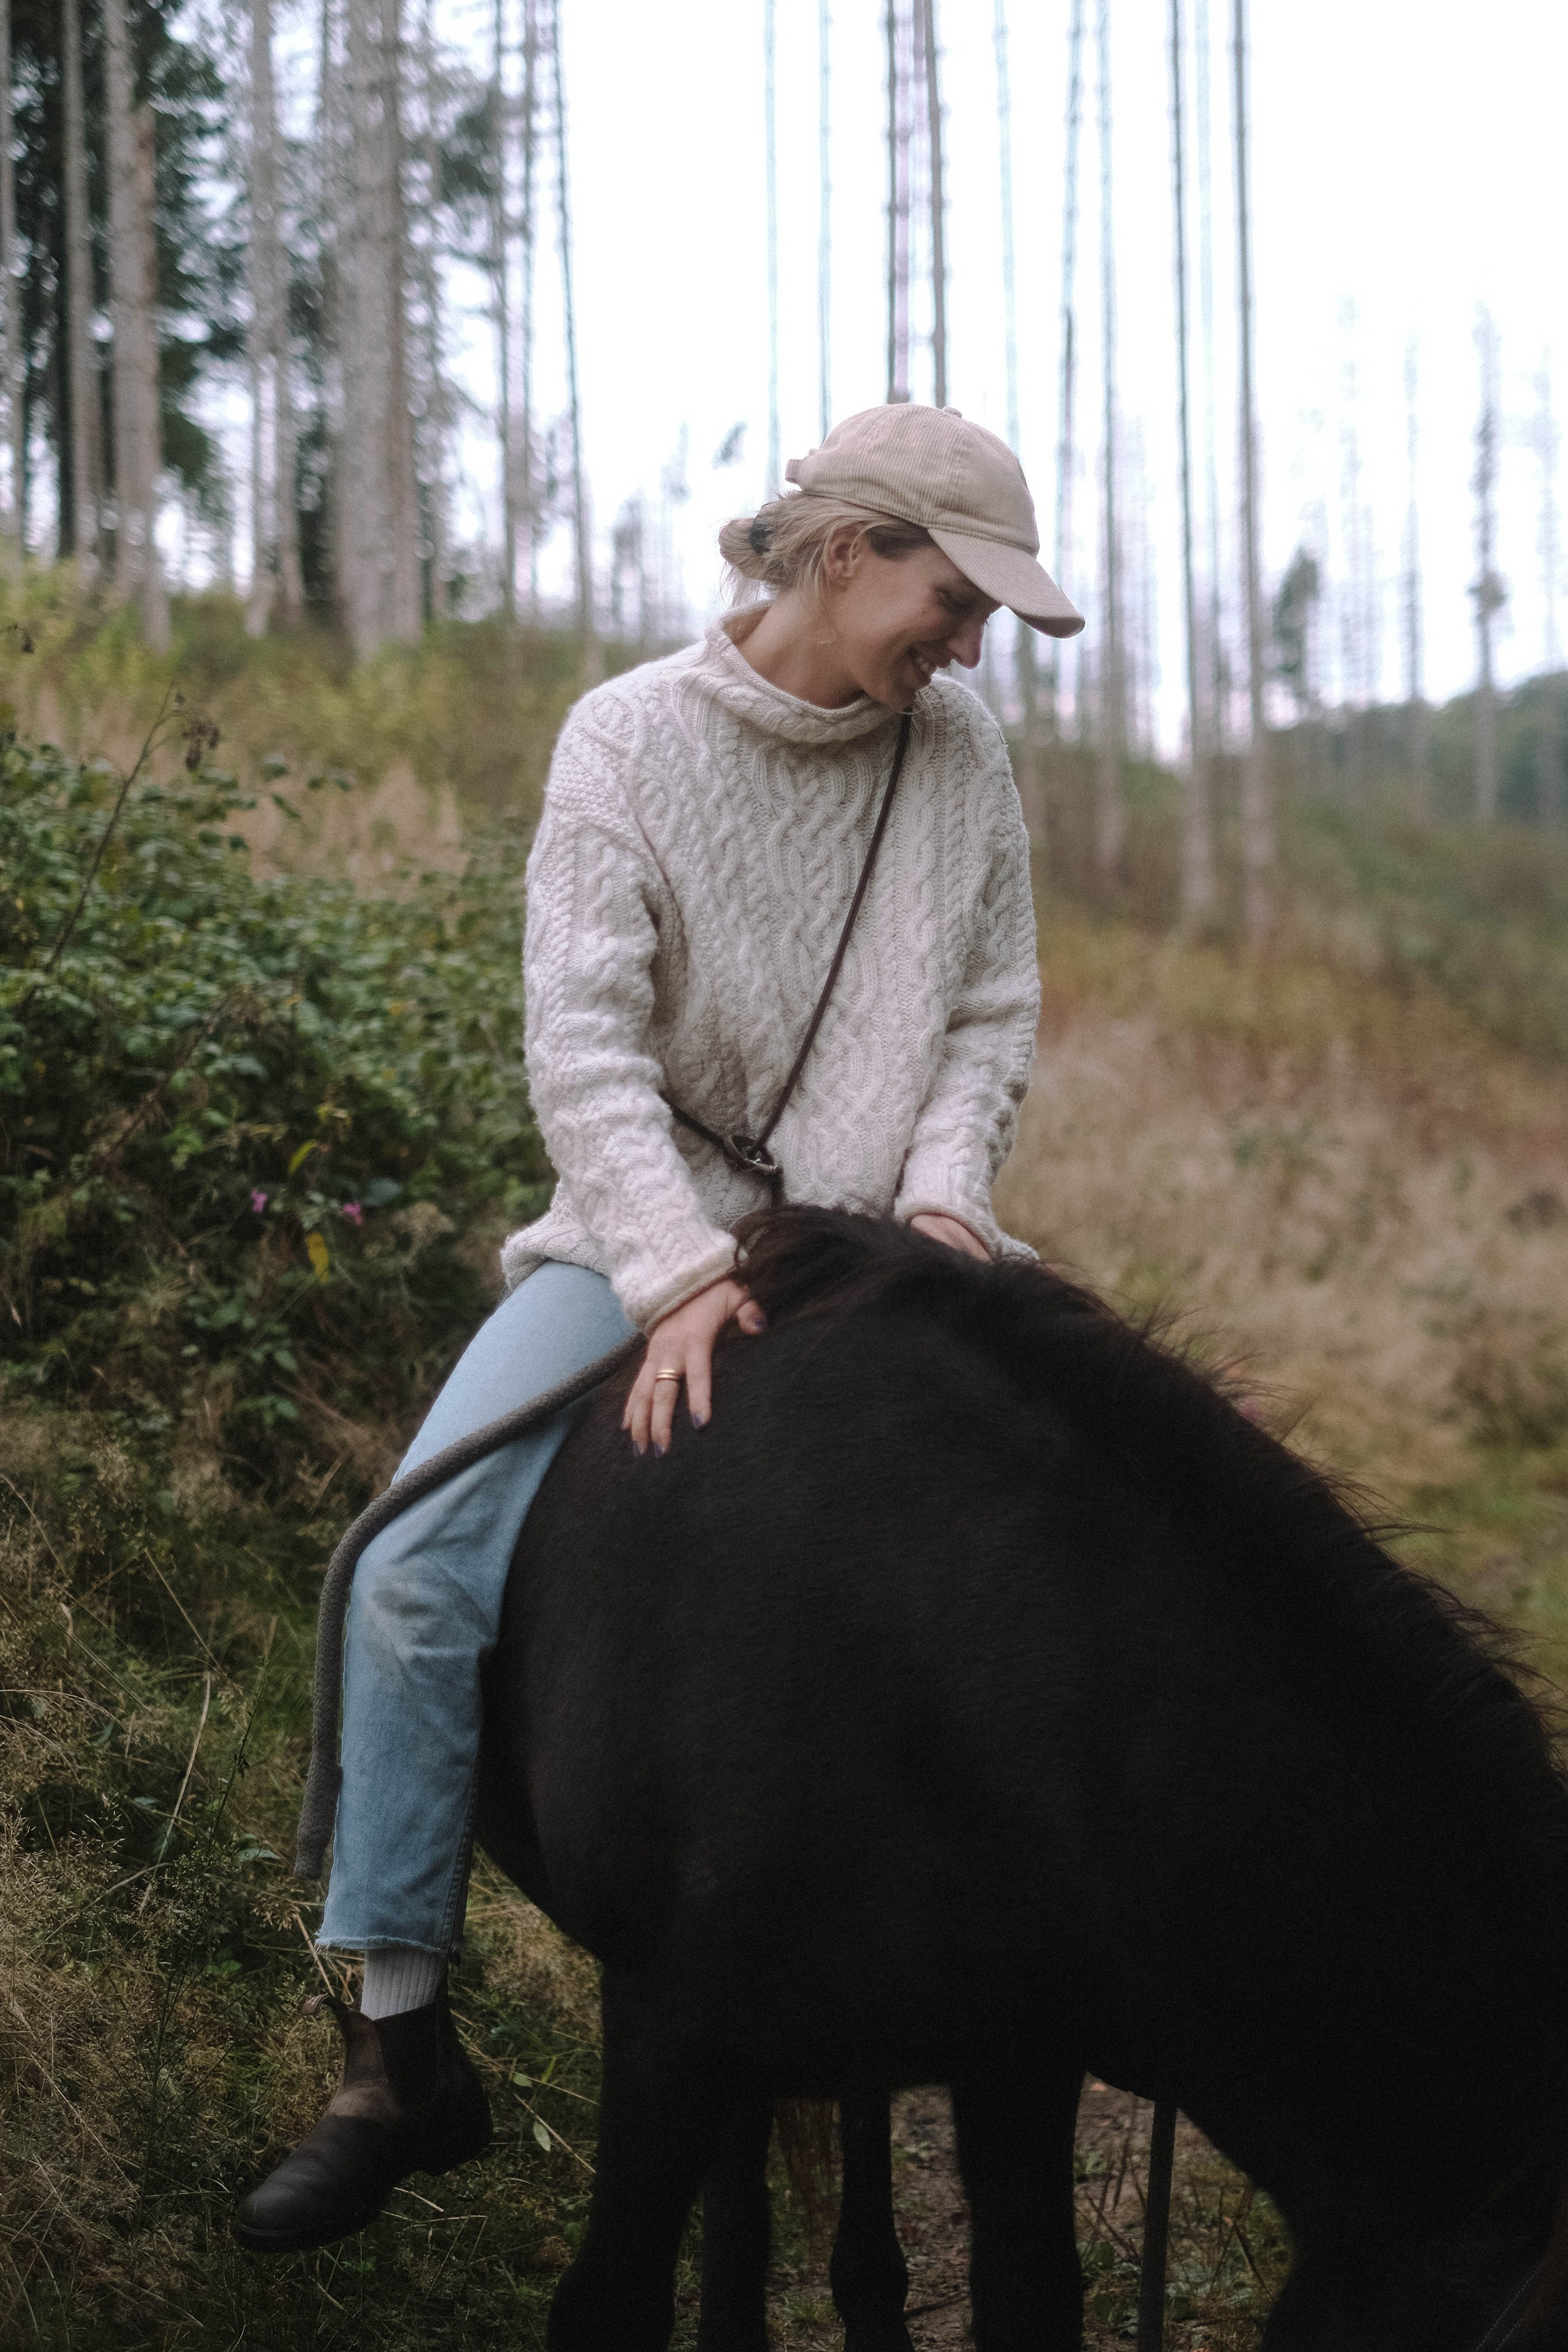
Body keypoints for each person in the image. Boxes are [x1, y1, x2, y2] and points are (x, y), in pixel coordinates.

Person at [235, 401, 1084, 2253]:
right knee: (408, 1571)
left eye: (989, 619)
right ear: (841, 549)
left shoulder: (968, 759)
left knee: (1107, 1533)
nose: (969, 643)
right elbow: (585, 1047)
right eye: (952, 598)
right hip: (640, 1240)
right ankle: (398, 2049)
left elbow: (991, 1015)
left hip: (892, 1248)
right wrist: (676, 1275)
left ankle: (1070, 1961)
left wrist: (945, 1202)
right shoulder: (623, 740)